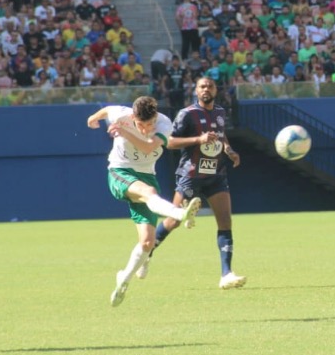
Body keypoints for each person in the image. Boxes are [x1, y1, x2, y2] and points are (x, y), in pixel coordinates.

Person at [86, 96, 203, 306]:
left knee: (148, 242)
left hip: (146, 175)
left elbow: (149, 147)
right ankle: (178, 213)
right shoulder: (121, 114)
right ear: (133, 117)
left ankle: (123, 279)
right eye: (141, 125)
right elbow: (106, 110)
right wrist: (93, 119)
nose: (146, 128)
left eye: (150, 124)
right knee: (149, 192)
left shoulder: (164, 124)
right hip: (120, 172)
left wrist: (123, 133)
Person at [150, 77, 247, 290]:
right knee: (173, 220)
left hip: (216, 175)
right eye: (202, 86)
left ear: (215, 90)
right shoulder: (187, 114)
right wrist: (198, 140)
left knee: (225, 222)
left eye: (210, 86)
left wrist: (229, 150)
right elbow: (170, 142)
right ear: (196, 90)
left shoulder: (221, 112)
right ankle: (147, 251)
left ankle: (226, 273)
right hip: (191, 175)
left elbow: (222, 137)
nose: (206, 89)